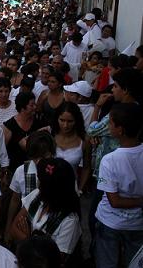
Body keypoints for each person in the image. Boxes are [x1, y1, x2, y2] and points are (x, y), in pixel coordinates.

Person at [95, 103, 143, 268]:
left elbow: (114, 201)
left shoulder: (110, 160)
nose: (107, 126)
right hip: (137, 223)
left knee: (106, 262)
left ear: (120, 129)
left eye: (110, 123)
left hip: (110, 222)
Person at [10, 158, 82, 264]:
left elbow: (53, 261)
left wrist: (27, 239)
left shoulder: (70, 221)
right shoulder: (37, 195)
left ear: (52, 189)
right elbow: (14, 228)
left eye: (42, 181)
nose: (38, 182)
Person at [5, 131, 56, 241]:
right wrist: (8, 228)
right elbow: (15, 200)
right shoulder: (21, 171)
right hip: (24, 229)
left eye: (44, 157)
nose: (38, 162)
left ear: (52, 152)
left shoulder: (60, 171)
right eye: (35, 157)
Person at [51, 102, 91, 192]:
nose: (65, 125)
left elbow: (86, 167)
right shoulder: (49, 134)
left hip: (71, 190)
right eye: (62, 120)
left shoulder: (84, 140)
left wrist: (80, 189)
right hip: (47, 188)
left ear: (76, 120)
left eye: (70, 121)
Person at [3, 92, 42, 172]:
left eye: (35, 104)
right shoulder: (9, 126)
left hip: (34, 169)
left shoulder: (39, 123)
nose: (35, 107)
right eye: (31, 105)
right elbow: (3, 152)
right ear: (22, 107)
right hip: (14, 169)